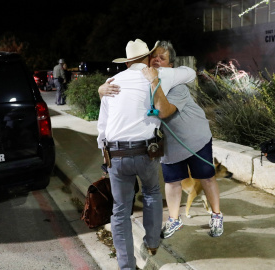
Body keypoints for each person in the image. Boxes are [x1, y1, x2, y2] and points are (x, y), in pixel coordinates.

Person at [99, 41, 224, 238]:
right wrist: (102, 91)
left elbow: (163, 111)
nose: (156, 60)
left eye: (162, 58)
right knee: (172, 182)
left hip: (194, 139)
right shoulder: (145, 82)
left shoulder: (176, 87)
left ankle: (216, 215)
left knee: (206, 177)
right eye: (154, 56)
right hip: (169, 144)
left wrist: (155, 82)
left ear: (170, 66)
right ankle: (174, 220)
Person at [97, 38, 195, 270]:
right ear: (147, 57)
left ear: (128, 61)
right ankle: (151, 243)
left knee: (120, 210)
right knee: (151, 193)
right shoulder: (158, 75)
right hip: (146, 152)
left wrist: (104, 153)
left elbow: (102, 125)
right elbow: (190, 73)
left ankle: (126, 265)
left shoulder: (111, 82)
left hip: (116, 152)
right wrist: (159, 75)